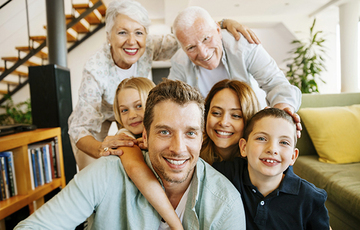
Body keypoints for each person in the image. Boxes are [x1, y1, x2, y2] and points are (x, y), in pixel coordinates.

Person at [14, 79, 246, 229]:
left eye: (190, 133)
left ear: (202, 138)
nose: (178, 147)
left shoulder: (225, 203)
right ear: (144, 137)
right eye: (164, 132)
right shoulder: (106, 173)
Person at [68, 0, 261, 170]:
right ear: (109, 36)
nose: (132, 41)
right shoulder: (95, 69)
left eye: (138, 32)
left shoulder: (147, 46)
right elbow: (80, 128)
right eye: (121, 32)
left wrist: (224, 24)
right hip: (97, 118)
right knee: (94, 170)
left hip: (133, 112)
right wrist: (101, 147)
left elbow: (189, 35)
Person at [168, 6, 302, 136]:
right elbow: (171, 100)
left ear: (218, 30)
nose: (203, 53)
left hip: (251, 127)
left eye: (206, 39)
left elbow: (276, 83)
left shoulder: (243, 46)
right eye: (191, 47)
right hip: (211, 135)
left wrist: (282, 111)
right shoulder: (180, 61)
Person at [212, 108, 330, 229]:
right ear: (244, 147)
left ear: (293, 157)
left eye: (284, 142)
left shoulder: (310, 198)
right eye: (262, 138)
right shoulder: (227, 174)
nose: (272, 149)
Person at [113, 76, 184, 229]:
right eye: (124, 110)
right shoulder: (124, 136)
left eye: (139, 106)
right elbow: (135, 169)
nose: (132, 115)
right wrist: (176, 226)